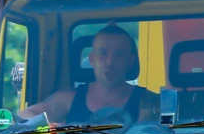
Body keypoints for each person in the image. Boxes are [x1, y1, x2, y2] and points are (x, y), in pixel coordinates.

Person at [17, 23, 157, 126]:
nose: (109, 62)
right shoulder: (68, 99)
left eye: (118, 54)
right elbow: (24, 116)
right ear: (91, 59)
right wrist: (50, 127)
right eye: (103, 53)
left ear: (130, 61)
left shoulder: (147, 101)